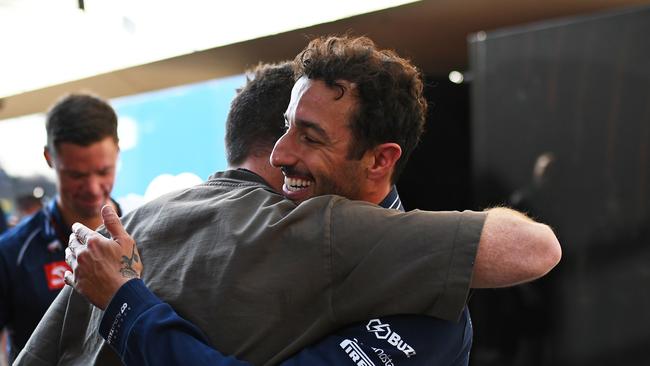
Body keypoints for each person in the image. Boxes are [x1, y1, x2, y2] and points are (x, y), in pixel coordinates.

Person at [18, 37, 560, 366]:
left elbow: (534, 249)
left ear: (379, 160)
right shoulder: (217, 228)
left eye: (311, 137)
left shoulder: (426, 306)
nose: (280, 154)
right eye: (284, 128)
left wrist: (126, 304)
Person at [0, 94, 121, 362]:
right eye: (76, 175)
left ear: (118, 153)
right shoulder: (12, 253)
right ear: (49, 158)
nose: (92, 188)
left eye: (103, 171)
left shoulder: (145, 232)